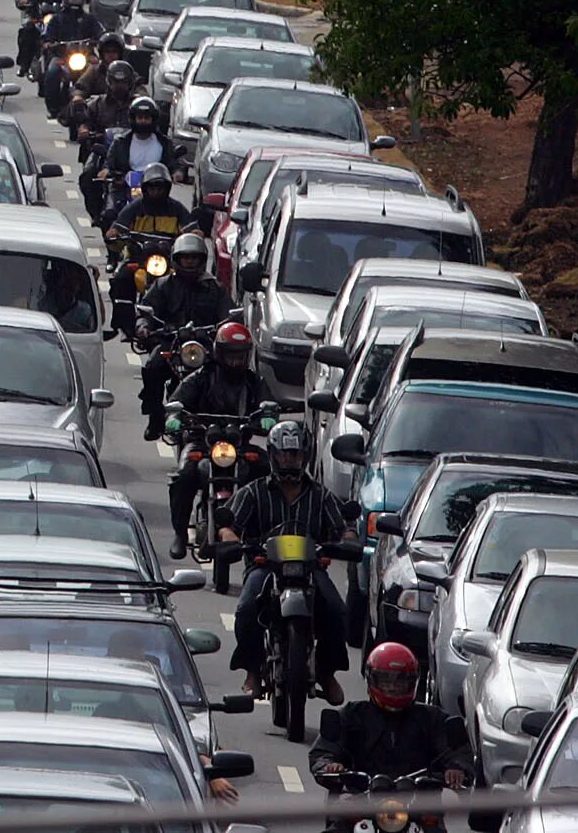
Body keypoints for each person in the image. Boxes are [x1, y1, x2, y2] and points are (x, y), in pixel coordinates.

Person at [220, 418, 356, 703]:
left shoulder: (320, 495)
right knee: (246, 609)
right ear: (273, 455)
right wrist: (231, 538)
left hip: (310, 569)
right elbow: (229, 524)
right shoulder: (255, 491)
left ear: (305, 456)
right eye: (284, 454)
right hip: (264, 566)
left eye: (295, 455)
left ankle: (326, 672)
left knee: (336, 610)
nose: (290, 460)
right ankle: (252, 671)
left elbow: (342, 526)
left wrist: (348, 538)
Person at [311, 643, 474, 791]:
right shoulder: (351, 715)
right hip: (359, 798)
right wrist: (329, 766)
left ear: (414, 682)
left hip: (419, 803)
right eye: (386, 682)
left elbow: (457, 751)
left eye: (400, 682)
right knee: (338, 822)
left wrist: (456, 768)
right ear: (371, 680)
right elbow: (324, 750)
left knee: (434, 822)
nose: (393, 688)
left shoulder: (433, 719)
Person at [163, 318, 265, 553]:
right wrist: (174, 418)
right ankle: (179, 533)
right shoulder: (200, 377)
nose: (235, 361)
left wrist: (268, 416)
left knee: (266, 472)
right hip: (202, 441)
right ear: (219, 352)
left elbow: (267, 404)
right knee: (184, 476)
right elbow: (177, 402)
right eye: (230, 354)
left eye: (240, 355)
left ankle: (260, 532)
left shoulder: (253, 381)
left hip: (239, 444)